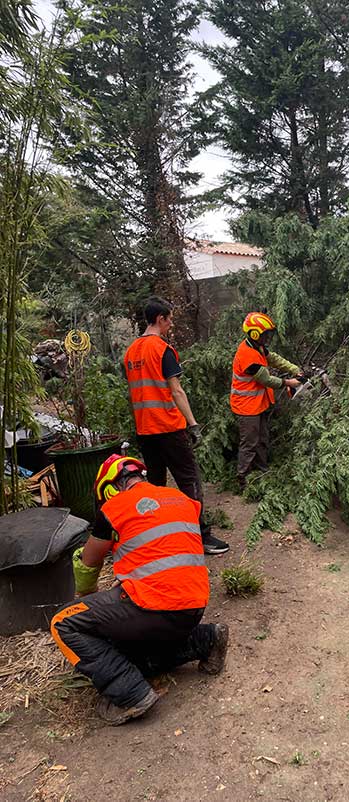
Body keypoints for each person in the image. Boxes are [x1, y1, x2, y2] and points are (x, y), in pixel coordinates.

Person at [50, 455, 229, 726]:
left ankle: (129, 694)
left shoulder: (113, 508)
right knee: (133, 648)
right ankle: (205, 639)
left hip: (155, 608)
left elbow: (88, 563)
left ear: (108, 488)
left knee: (64, 622)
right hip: (193, 606)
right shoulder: (178, 498)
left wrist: (88, 595)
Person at [124, 296, 229, 555]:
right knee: (189, 481)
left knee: (156, 485)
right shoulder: (162, 349)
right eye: (169, 320)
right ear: (160, 319)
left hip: (145, 431)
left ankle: (162, 537)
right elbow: (177, 391)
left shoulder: (130, 352)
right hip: (169, 428)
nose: (170, 325)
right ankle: (200, 537)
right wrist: (192, 424)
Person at [230, 312, 303, 489]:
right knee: (249, 443)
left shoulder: (257, 346)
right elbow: (266, 379)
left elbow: (274, 359)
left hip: (258, 403)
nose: (268, 337)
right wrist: (289, 382)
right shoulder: (247, 354)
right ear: (255, 333)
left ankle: (262, 471)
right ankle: (243, 478)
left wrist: (294, 369)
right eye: (265, 334)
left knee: (262, 438)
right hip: (246, 407)